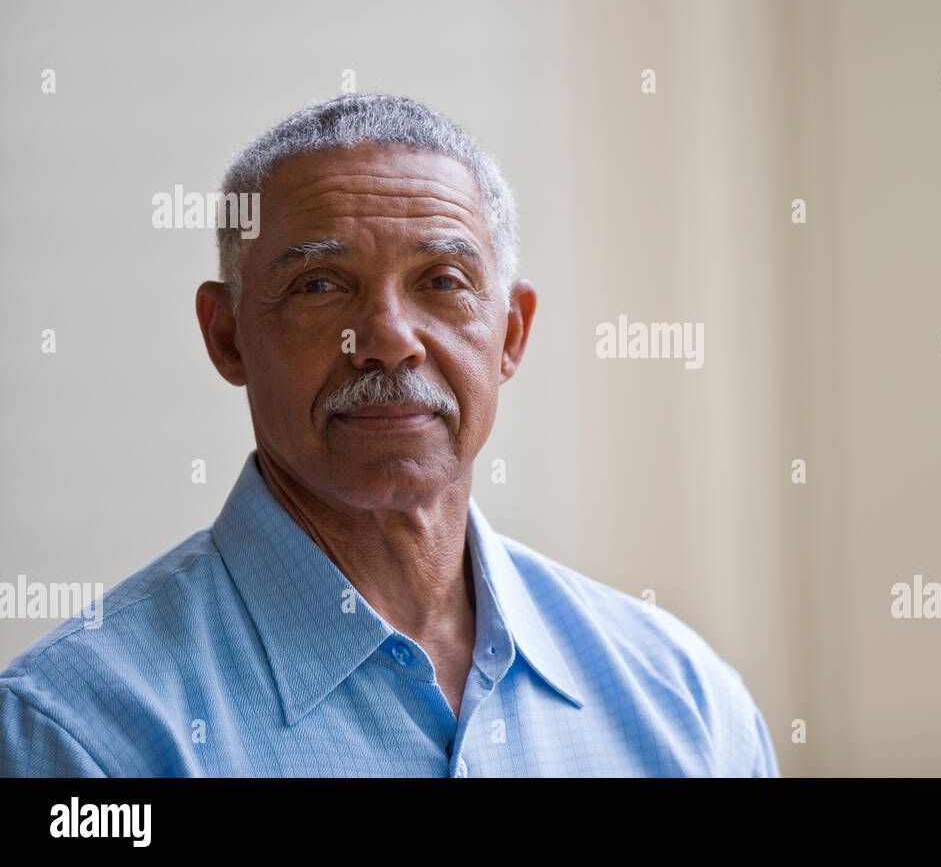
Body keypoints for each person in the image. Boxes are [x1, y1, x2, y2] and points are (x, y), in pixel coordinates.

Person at [0, 94, 780, 777]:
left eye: (442, 281)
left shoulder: (691, 708)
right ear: (227, 336)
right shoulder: (78, 735)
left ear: (511, 334)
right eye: (319, 285)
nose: (387, 339)